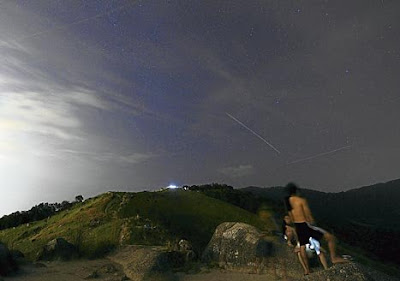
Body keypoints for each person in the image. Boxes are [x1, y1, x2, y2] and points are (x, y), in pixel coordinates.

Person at [284, 182, 348, 275]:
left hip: (298, 226)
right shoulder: (301, 200)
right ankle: (334, 258)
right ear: (296, 191)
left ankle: (307, 270)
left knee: (302, 246)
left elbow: (291, 217)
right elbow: (308, 215)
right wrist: (314, 223)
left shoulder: (288, 202)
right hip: (306, 225)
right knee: (331, 238)